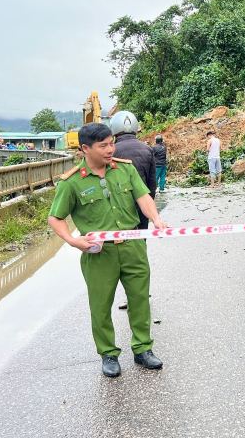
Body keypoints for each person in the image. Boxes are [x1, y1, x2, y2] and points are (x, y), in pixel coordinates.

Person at [47, 123, 167, 377]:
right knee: (101, 306)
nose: (110, 149)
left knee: (139, 299)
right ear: (84, 149)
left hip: (133, 246)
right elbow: (55, 219)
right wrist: (72, 240)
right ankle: (108, 354)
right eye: (103, 146)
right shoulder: (71, 183)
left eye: (111, 143)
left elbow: (143, 197)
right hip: (99, 253)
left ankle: (143, 349)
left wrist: (155, 219)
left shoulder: (125, 169)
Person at [110, 111, 157, 230]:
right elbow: (152, 181)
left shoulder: (111, 151)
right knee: (142, 235)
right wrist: (149, 201)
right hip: (143, 200)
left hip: (120, 203)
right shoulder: (147, 149)